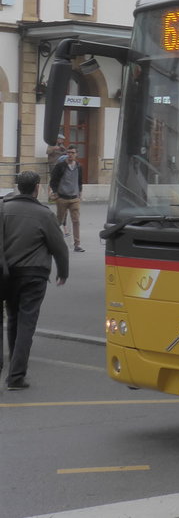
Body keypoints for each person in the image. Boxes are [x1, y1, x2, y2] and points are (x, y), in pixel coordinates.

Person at [1, 170, 69, 391]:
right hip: (33, 274)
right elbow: (59, 246)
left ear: (18, 187)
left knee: (12, 319)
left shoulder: (4, 208)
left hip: (7, 274)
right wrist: (63, 271)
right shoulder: (44, 214)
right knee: (26, 323)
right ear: (37, 187)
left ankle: (12, 369)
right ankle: (16, 376)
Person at [49, 148, 84, 252]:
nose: (70, 155)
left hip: (74, 198)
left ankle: (77, 244)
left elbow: (80, 181)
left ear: (76, 154)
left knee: (76, 221)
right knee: (59, 221)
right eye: (68, 152)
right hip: (62, 198)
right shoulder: (60, 166)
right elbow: (53, 181)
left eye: (72, 153)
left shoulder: (78, 166)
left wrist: (80, 193)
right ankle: (52, 242)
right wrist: (55, 193)